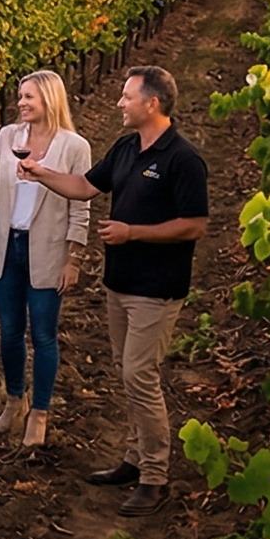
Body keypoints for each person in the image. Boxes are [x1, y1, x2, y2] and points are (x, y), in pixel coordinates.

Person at [20, 65, 209, 514]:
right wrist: (40, 173)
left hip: (156, 287)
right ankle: (133, 457)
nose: (119, 103)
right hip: (119, 282)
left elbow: (195, 224)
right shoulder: (127, 147)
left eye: (127, 97)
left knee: (140, 375)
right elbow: (86, 187)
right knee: (127, 370)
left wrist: (132, 233)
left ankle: (155, 477)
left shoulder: (183, 159)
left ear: (152, 104)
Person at [0, 71, 92, 448]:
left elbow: (81, 207)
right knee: (10, 331)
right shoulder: (8, 137)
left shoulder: (74, 147)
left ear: (49, 99)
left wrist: (74, 258)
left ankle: (40, 413)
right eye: (19, 96)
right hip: (8, 247)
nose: (21, 103)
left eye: (28, 97)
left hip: (47, 250)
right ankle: (15, 401)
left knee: (43, 335)